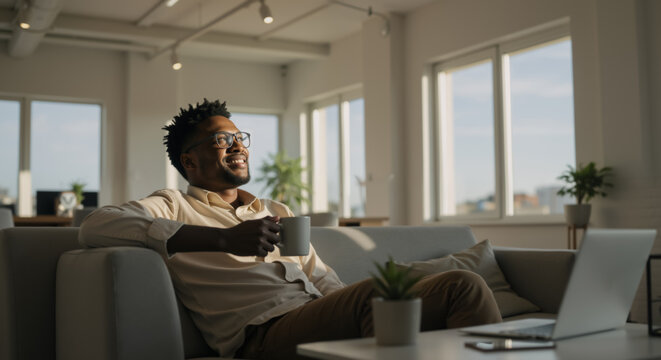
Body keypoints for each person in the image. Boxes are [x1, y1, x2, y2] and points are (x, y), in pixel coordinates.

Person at [79, 98, 502, 359]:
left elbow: (321, 278)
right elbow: (96, 225)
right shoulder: (172, 205)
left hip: (315, 314)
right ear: (189, 161)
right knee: (389, 297)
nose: (238, 145)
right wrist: (222, 239)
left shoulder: (274, 209)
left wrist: (351, 309)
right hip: (263, 336)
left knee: (462, 285)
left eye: (239, 136)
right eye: (221, 140)